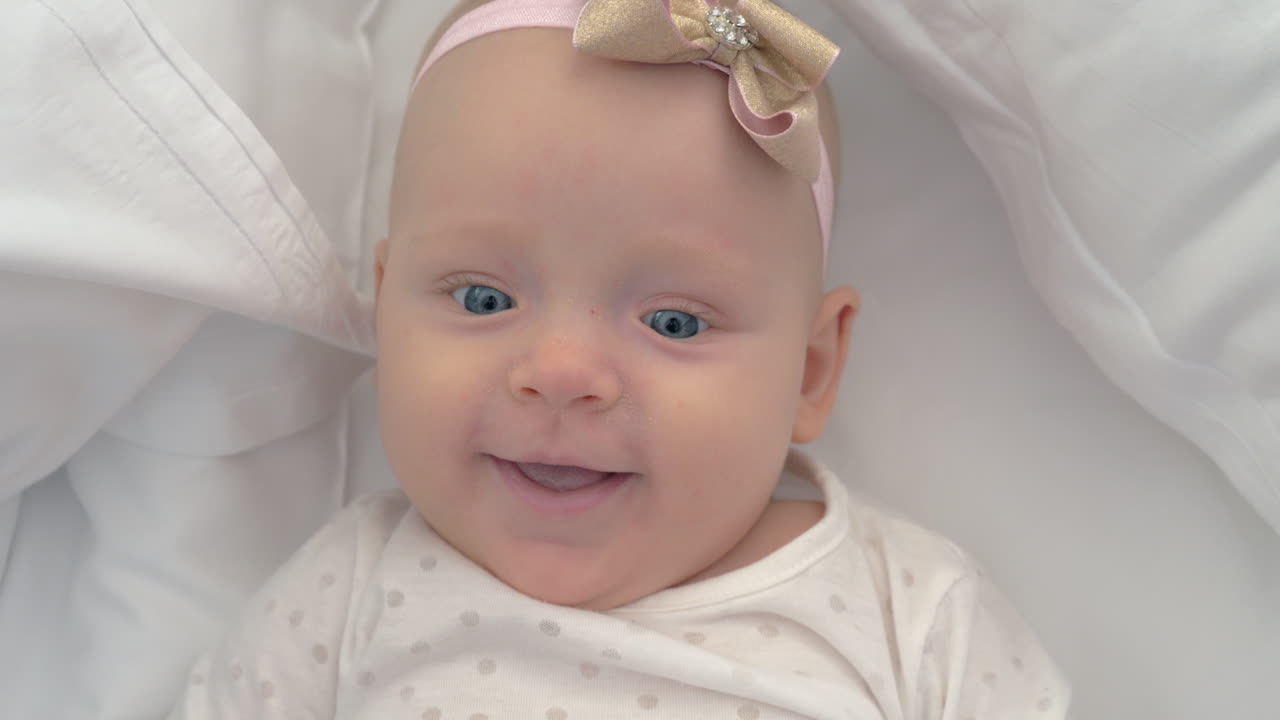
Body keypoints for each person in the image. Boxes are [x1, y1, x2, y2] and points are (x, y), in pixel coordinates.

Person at [170, 1, 1070, 717]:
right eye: (483, 300)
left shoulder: (908, 612)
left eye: (674, 322)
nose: (562, 372)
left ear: (810, 372)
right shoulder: (347, 592)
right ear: (387, 312)